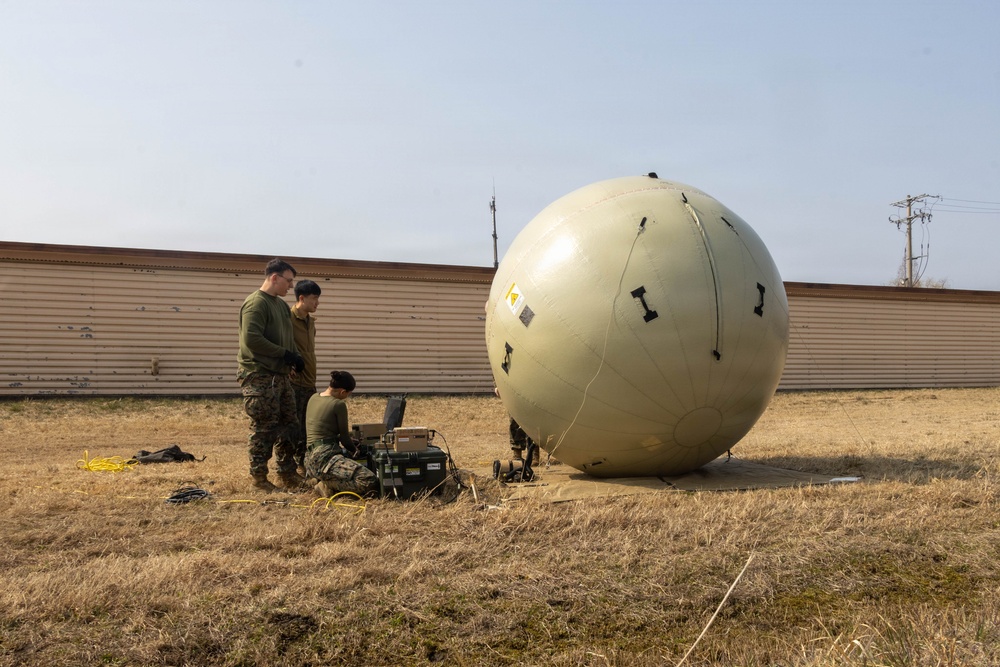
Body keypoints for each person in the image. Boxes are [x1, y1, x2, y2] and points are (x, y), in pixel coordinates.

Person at [237, 258, 309, 492]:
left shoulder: (279, 305)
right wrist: (285, 354)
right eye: (288, 281)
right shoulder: (256, 304)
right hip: (259, 376)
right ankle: (259, 478)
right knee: (265, 427)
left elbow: (288, 339)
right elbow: (252, 340)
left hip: (280, 376)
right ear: (274, 278)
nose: (291, 286)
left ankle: (286, 472)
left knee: (290, 424)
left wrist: (295, 358)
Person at [304, 370, 378, 497]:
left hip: (309, 458)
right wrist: (355, 450)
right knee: (368, 480)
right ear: (342, 391)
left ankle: (317, 479)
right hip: (325, 457)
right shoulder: (338, 404)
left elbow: (323, 427)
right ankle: (326, 485)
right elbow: (344, 439)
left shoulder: (314, 397)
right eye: (348, 394)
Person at [290, 279, 322, 473]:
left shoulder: (311, 322)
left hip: (309, 380)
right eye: (314, 299)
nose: (317, 303)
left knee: (307, 426)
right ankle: (289, 467)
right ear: (301, 298)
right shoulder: (287, 319)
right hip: (294, 382)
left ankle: (303, 463)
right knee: (293, 426)